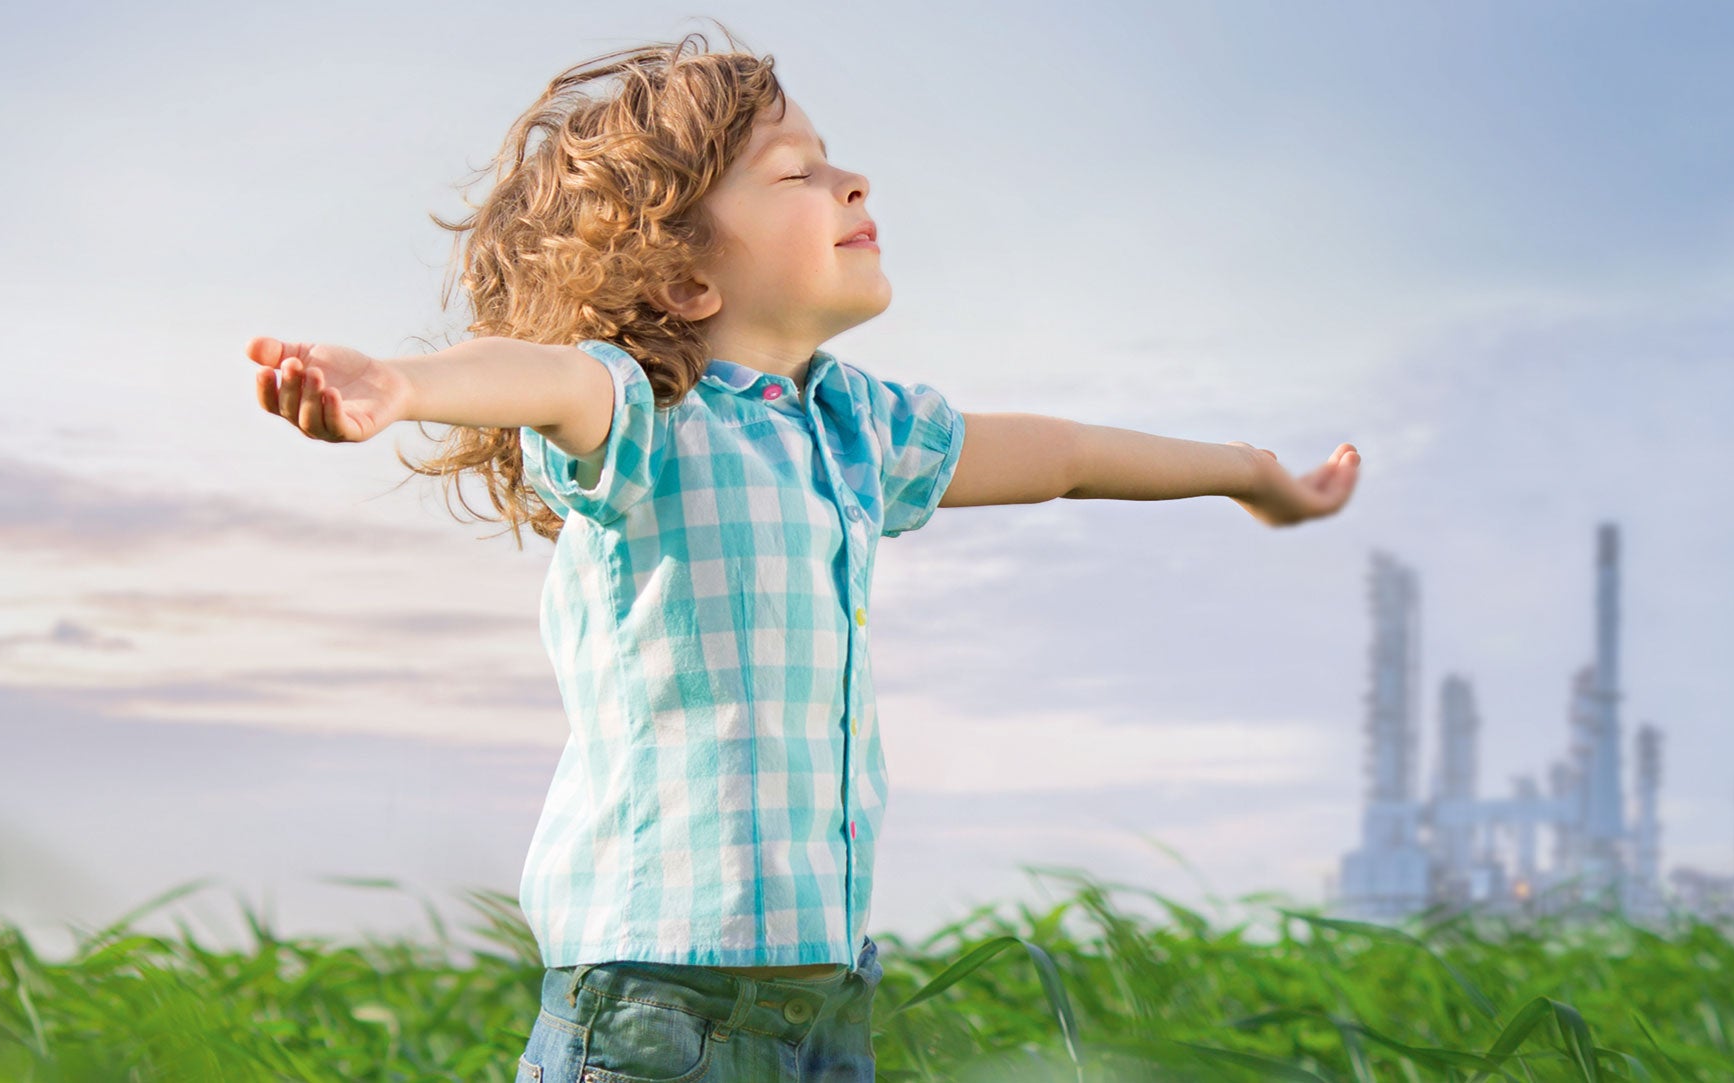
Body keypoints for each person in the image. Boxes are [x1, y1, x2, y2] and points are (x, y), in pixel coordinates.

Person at [243, 24, 1360, 1082]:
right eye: (796, 173)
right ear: (687, 279)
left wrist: (1246, 473)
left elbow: (1063, 454)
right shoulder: (645, 416)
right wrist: (404, 388)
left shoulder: (857, 426)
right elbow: (538, 374)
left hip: (826, 994)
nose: (851, 183)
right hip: (655, 1003)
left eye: (834, 163)